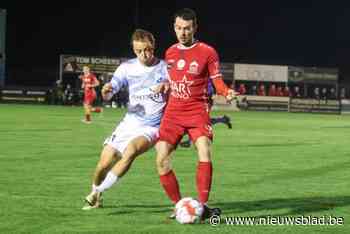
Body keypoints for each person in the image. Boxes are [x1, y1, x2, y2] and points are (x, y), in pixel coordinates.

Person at [155, 8, 238, 220]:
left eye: (187, 28)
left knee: (204, 150)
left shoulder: (208, 52)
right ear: (174, 28)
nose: (183, 32)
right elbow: (173, 78)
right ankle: (179, 206)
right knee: (161, 160)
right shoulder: (170, 52)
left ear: (195, 28)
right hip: (173, 112)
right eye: (179, 28)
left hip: (196, 111)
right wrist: (165, 84)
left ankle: (202, 206)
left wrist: (226, 91)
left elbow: (217, 81)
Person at [83, 29, 168, 210]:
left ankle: (96, 192)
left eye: (148, 49)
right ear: (134, 50)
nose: (144, 54)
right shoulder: (127, 67)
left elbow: (179, 90)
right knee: (103, 165)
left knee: (130, 151)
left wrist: (167, 86)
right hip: (129, 123)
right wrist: (107, 90)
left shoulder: (166, 68)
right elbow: (112, 87)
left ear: (153, 46)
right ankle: (97, 195)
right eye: (139, 51)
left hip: (151, 127)